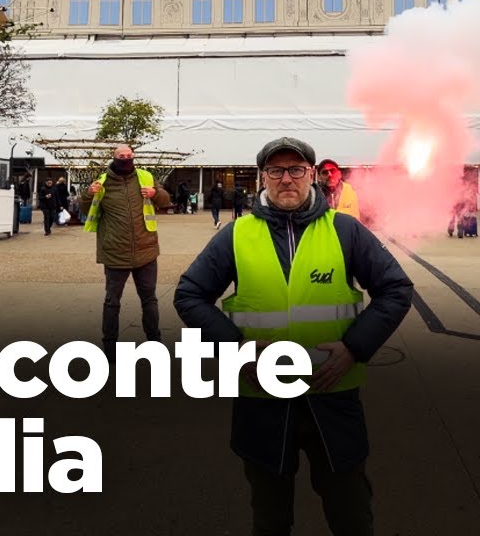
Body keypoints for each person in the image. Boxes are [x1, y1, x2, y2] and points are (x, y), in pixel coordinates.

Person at [174, 137, 413, 536]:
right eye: (276, 171)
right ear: (262, 178)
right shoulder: (236, 235)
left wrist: (355, 348)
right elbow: (189, 294)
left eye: (297, 169)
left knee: (351, 514)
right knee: (270, 518)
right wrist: (236, 350)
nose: (287, 178)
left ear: (313, 175)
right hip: (262, 401)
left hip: (333, 398)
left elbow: (396, 289)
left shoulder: (345, 231)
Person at [79, 145, 173, 357]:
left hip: (145, 250)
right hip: (115, 252)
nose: (126, 159)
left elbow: (166, 201)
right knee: (112, 301)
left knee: (149, 299)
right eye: (121, 156)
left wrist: (155, 193)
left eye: (129, 156)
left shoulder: (145, 177)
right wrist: (88, 194)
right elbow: (85, 209)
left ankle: (154, 342)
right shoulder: (103, 182)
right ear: (113, 158)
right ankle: (110, 348)